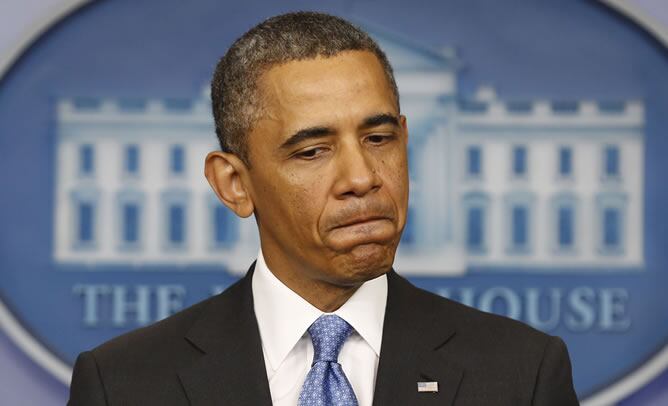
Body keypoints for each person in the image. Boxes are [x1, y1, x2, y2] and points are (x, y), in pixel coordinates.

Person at [68, 11, 579, 406]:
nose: (362, 178)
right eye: (313, 151)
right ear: (234, 184)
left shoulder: (522, 373)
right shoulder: (124, 384)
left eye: (378, 138)